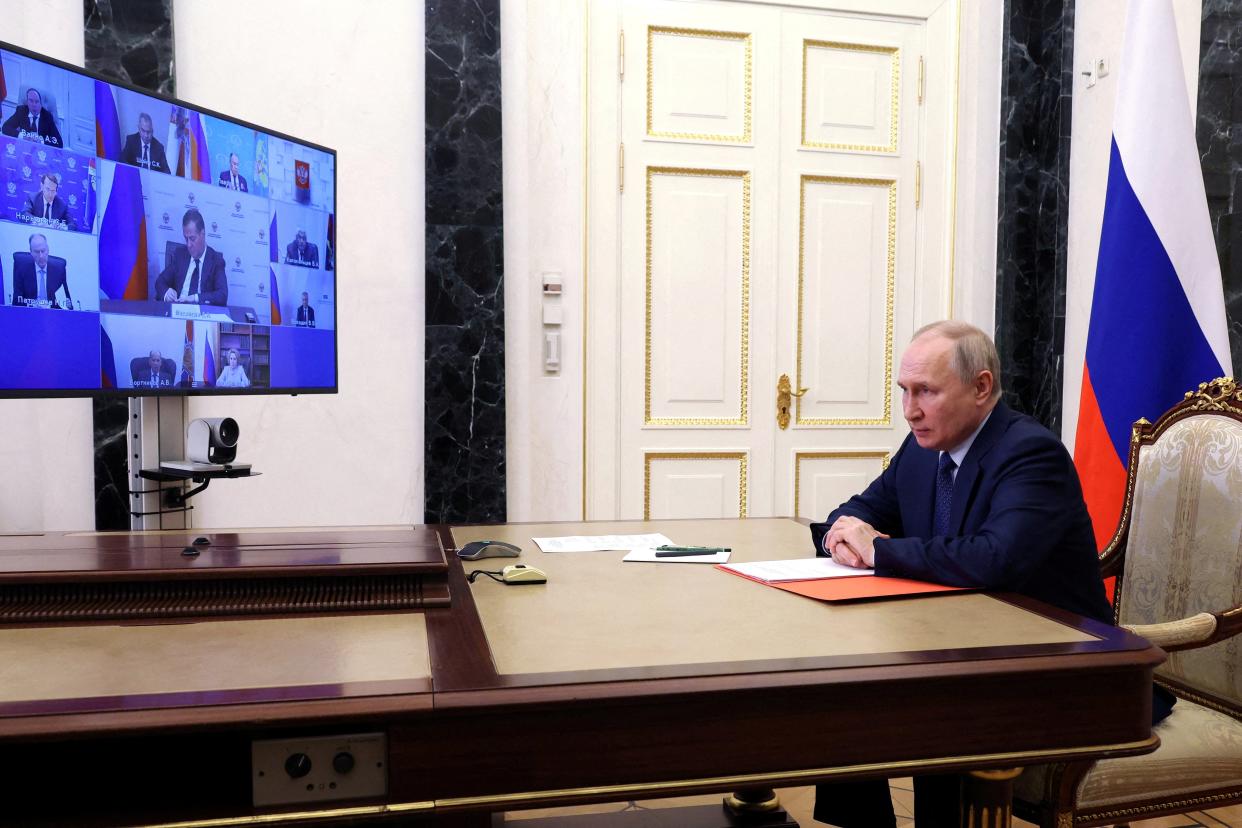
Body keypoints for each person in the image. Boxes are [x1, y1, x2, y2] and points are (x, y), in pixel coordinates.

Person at [809, 320, 1171, 828]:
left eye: (926, 392)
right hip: (959, 649)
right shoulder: (921, 448)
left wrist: (880, 553)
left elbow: (995, 558)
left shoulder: (1029, 454)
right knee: (845, 690)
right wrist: (842, 535)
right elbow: (856, 511)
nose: (910, 409)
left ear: (981, 388)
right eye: (904, 392)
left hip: (1059, 666)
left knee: (924, 706)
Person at [153, 208, 228, 305]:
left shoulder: (216, 260)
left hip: (202, 315)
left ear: (202, 234)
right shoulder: (180, 255)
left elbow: (222, 295)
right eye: (186, 238)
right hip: (178, 311)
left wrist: (195, 298)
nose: (188, 244)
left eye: (192, 238)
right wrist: (167, 292)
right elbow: (160, 281)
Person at [12, 233, 71, 308]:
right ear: (31, 252)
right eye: (36, 252)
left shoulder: (59, 269)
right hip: (30, 313)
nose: (41, 256)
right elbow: (17, 303)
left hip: (52, 315)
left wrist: (68, 305)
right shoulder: (22, 268)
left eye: (43, 251)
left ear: (48, 249)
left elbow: (67, 303)